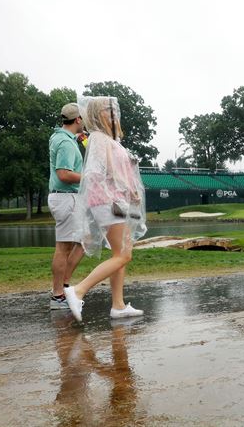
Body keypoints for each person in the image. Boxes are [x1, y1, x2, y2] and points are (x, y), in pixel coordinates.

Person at [64, 96, 147, 322]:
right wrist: (129, 188)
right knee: (123, 255)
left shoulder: (110, 139)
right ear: (98, 114)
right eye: (109, 110)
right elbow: (109, 170)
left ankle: (118, 305)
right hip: (109, 201)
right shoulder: (100, 138)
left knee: (120, 253)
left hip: (116, 201)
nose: (114, 113)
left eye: (113, 109)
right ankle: (78, 290)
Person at [48, 103, 86, 309]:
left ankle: (63, 286)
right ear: (78, 120)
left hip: (68, 198)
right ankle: (57, 295)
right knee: (63, 248)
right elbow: (64, 174)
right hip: (66, 198)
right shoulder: (65, 143)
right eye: (83, 118)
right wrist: (89, 177)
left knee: (84, 241)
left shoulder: (63, 138)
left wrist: (79, 139)